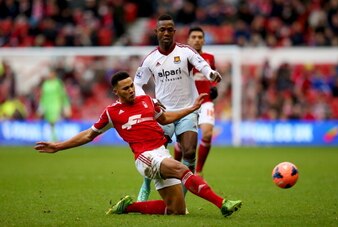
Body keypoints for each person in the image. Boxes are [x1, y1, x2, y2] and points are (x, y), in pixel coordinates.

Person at [34, 71, 242, 217]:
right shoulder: (112, 113)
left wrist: (190, 109)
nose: (131, 90)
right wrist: (58, 146)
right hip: (145, 157)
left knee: (176, 210)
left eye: (132, 86)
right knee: (181, 168)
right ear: (116, 91)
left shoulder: (147, 101)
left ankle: (128, 207)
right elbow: (89, 134)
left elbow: (166, 118)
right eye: (125, 89)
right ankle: (222, 203)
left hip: (161, 152)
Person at [134, 14, 222, 201]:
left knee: (189, 151)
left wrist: (211, 74)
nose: (166, 32)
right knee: (154, 152)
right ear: (156, 32)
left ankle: (182, 194)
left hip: (188, 110)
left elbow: (201, 64)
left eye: (169, 29)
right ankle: (146, 183)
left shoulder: (185, 51)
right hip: (164, 113)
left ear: (174, 32)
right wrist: (148, 102)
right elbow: (137, 84)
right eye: (162, 29)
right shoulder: (150, 59)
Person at [173, 26, 218, 176]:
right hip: (188, 104)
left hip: (205, 102)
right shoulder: (181, 58)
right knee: (182, 142)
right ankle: (176, 170)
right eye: (194, 37)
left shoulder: (210, 58)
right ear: (188, 40)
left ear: (204, 40)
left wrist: (213, 87)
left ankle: (198, 172)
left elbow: (212, 77)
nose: (197, 40)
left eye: (200, 37)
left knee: (206, 135)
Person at [38, 68, 71, 141]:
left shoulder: (58, 83)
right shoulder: (45, 84)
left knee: (56, 121)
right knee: (50, 123)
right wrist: (41, 107)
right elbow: (42, 96)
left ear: (55, 74)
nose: (50, 75)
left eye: (52, 73)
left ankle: (57, 138)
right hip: (47, 106)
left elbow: (63, 95)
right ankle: (52, 138)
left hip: (56, 105)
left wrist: (66, 106)